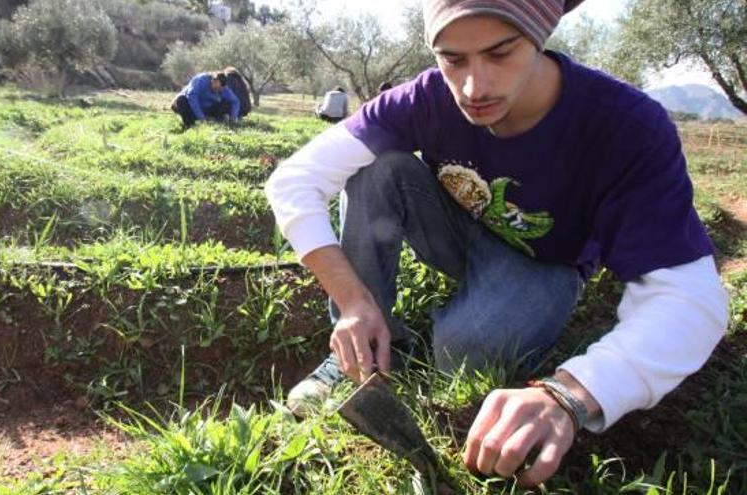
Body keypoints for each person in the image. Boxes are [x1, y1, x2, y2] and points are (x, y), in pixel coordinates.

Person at [265, 0, 728, 488]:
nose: (473, 88)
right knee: (377, 168)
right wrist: (353, 299)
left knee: (464, 355)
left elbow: (691, 298)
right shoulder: (427, 98)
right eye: (453, 59)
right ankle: (362, 350)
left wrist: (571, 394)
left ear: (538, 37)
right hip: (459, 231)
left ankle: (463, 330)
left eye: (501, 53)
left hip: (546, 263)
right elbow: (294, 181)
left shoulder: (625, 126)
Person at [171, 71, 240, 129]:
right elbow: (192, 97)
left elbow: (235, 101)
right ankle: (189, 125)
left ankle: (217, 122)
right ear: (213, 81)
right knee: (181, 100)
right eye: (216, 88)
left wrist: (233, 117)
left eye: (220, 89)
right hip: (190, 108)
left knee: (226, 104)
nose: (218, 91)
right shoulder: (200, 80)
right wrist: (201, 118)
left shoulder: (223, 88)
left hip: (206, 109)